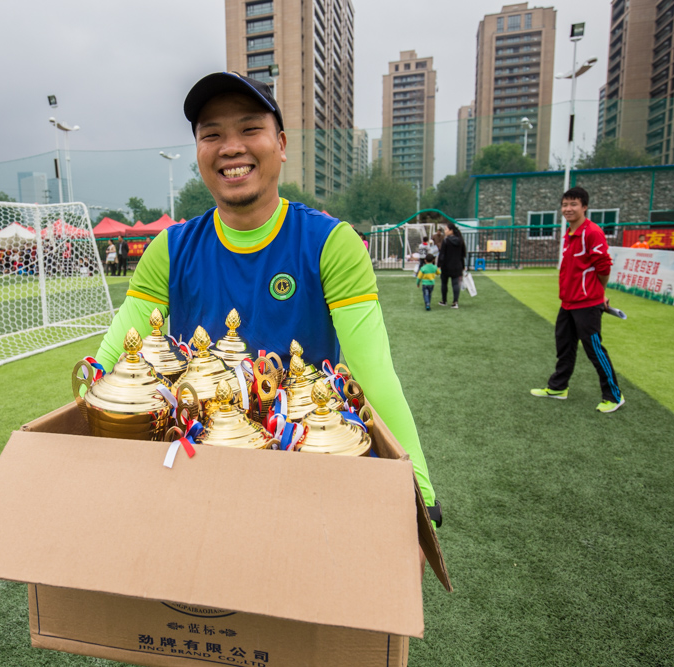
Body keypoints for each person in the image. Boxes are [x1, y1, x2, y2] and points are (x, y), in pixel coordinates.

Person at [91, 71, 438, 518]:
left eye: (250, 129)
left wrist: (419, 488)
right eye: (212, 134)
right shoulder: (170, 249)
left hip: (304, 478)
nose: (230, 147)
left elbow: (375, 374)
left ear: (281, 144)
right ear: (198, 151)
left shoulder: (331, 243)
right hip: (199, 475)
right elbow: (113, 360)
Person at [531, 186, 624, 413]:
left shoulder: (592, 232)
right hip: (568, 302)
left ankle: (614, 395)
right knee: (564, 345)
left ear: (584, 207)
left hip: (587, 303)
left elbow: (603, 267)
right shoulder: (570, 233)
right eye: (565, 205)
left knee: (594, 350)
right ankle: (558, 387)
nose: (568, 209)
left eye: (573, 204)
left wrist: (599, 294)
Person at [436, 222, 466, 308]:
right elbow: (462, 254)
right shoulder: (460, 240)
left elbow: (442, 254)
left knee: (444, 283)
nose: (445, 231)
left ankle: (444, 301)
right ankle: (455, 302)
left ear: (451, 230)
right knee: (455, 284)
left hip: (446, 265)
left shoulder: (446, 240)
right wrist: (463, 266)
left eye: (446, 229)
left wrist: (439, 265)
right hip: (457, 265)